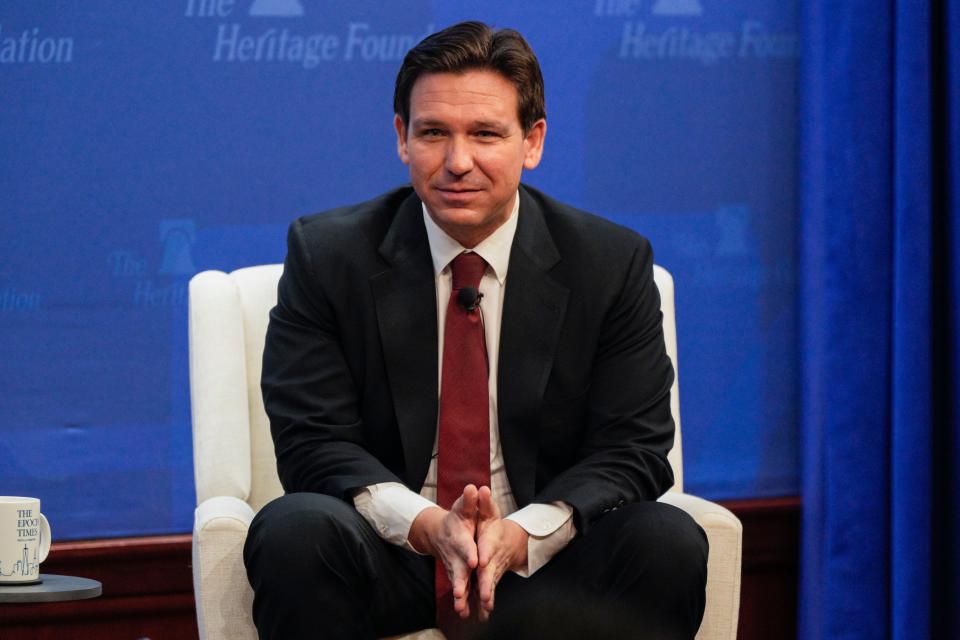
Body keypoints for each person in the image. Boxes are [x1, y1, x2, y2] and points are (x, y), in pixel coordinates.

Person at [243, 20, 708, 640]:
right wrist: (429, 526)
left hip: (542, 562)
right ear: (402, 138)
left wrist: (524, 535)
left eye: (486, 134)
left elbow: (636, 449)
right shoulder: (328, 256)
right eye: (434, 132)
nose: (457, 162)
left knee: (666, 540)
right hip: (395, 554)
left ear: (532, 141)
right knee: (294, 528)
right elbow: (311, 440)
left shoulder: (610, 263)